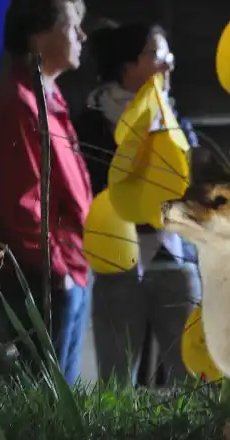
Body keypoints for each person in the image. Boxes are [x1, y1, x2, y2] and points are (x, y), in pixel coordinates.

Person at [74, 22, 202, 386]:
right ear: (127, 65)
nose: (168, 65)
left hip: (176, 262)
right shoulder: (92, 123)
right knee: (116, 385)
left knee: (192, 381)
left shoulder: (175, 118)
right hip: (118, 268)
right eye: (158, 55)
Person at [0, 0, 92, 385]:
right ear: (38, 36)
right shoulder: (19, 103)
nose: (81, 35)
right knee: (45, 399)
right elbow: (22, 206)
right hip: (43, 275)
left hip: (68, 266)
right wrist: (58, 272)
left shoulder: (49, 95)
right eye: (72, 24)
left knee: (63, 394)